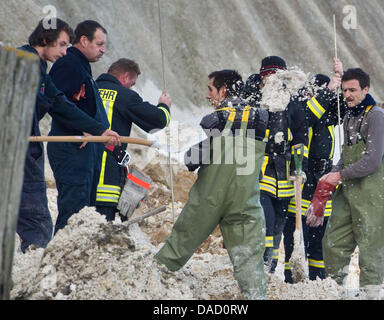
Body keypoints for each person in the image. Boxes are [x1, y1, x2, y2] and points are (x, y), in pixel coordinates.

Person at [155, 70, 269, 300]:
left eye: (211, 89)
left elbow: (192, 160)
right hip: (246, 200)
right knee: (249, 263)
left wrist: (191, 152)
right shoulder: (260, 120)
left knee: (177, 249)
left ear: (223, 90)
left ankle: (148, 287)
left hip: (210, 198)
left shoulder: (216, 120)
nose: (208, 95)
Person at [16, 19, 120, 252]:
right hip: (18, 149)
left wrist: (98, 130)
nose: (65, 51)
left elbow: (60, 103)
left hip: (26, 149)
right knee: (37, 219)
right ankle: (42, 269)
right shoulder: (23, 61)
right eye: (62, 45)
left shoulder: (41, 69)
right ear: (44, 40)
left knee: (35, 218)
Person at [310, 66, 384, 299]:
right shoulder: (349, 115)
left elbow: (372, 161)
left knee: (371, 248)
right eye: (344, 90)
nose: (347, 95)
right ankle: (334, 291)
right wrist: (330, 175)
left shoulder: (376, 116)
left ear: (366, 89)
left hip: (375, 194)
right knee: (333, 242)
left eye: (353, 90)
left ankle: (369, 295)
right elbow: (345, 156)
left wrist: (338, 176)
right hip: (349, 192)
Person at [48, 20, 120, 234]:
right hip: (71, 150)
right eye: (99, 44)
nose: (103, 50)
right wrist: (89, 129)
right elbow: (58, 104)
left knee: (85, 211)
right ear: (83, 40)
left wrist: (90, 128)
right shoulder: (68, 64)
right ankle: (60, 260)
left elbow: (76, 104)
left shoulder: (82, 67)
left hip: (86, 150)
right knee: (73, 214)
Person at [283, 69, 345, 283]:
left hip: (324, 181)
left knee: (320, 242)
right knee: (297, 240)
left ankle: (318, 281)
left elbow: (346, 107)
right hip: (303, 181)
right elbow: (309, 115)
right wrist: (327, 91)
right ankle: (293, 282)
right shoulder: (302, 111)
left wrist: (341, 79)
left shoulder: (327, 118)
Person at [94, 58, 172, 221]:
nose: (131, 87)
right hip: (107, 170)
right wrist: (164, 106)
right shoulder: (124, 95)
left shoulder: (90, 88)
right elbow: (157, 121)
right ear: (126, 76)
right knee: (103, 223)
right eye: (132, 83)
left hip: (83, 168)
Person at [257, 56, 309, 273]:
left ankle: (270, 270)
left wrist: (301, 167)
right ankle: (260, 267)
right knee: (265, 225)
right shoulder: (257, 101)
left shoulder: (293, 105)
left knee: (278, 226)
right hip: (261, 175)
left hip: (286, 178)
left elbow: (300, 136)